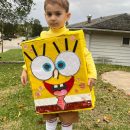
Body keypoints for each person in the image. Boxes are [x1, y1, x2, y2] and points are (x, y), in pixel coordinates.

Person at [21, 0, 97, 130]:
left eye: (58, 13)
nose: (53, 18)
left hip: (69, 86)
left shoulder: (72, 38)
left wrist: (92, 74)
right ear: (45, 15)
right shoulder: (43, 37)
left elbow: (86, 56)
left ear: (67, 16)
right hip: (49, 86)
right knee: (49, 114)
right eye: (49, 14)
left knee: (68, 115)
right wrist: (25, 70)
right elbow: (36, 58)